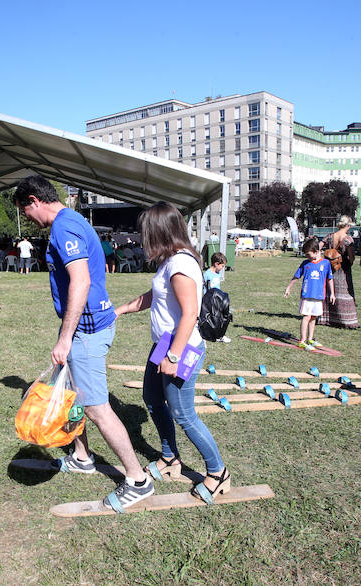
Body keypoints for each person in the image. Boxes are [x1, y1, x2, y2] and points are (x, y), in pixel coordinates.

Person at [13, 174, 153, 511]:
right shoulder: (71, 221)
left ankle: (137, 479)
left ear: (34, 200)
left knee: (96, 408)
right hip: (82, 329)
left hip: (86, 332)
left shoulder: (63, 227)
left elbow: (81, 280)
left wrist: (64, 338)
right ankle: (82, 455)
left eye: (25, 211)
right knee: (73, 397)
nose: (28, 219)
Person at [115, 202, 230, 504]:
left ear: (159, 232)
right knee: (152, 399)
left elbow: (190, 313)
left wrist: (174, 356)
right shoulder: (170, 262)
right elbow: (156, 295)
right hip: (165, 345)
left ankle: (218, 473)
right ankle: (170, 460)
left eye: (145, 233)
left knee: (183, 413)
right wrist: (123, 309)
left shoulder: (181, 264)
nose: (142, 239)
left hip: (182, 347)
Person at [284, 238, 335, 350]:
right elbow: (296, 276)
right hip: (307, 296)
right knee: (306, 317)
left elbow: (330, 279)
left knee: (313, 317)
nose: (307, 257)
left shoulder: (326, 263)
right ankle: (302, 340)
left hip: (319, 296)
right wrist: (289, 288)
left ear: (317, 251)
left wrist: (332, 294)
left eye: (308, 255)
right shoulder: (305, 264)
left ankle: (310, 339)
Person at [318, 215, 359, 329]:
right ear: (348, 225)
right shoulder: (348, 239)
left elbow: (318, 246)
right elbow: (351, 257)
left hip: (329, 267)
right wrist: (350, 261)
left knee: (329, 291)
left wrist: (320, 258)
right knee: (344, 293)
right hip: (343, 268)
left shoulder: (330, 236)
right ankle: (345, 319)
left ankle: (326, 318)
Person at [202, 252, 231, 343]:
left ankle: (220, 335)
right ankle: (208, 335)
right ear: (216, 264)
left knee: (221, 317)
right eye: (222, 266)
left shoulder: (217, 274)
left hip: (218, 299)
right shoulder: (207, 274)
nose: (223, 268)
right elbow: (204, 288)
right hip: (210, 301)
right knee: (212, 318)